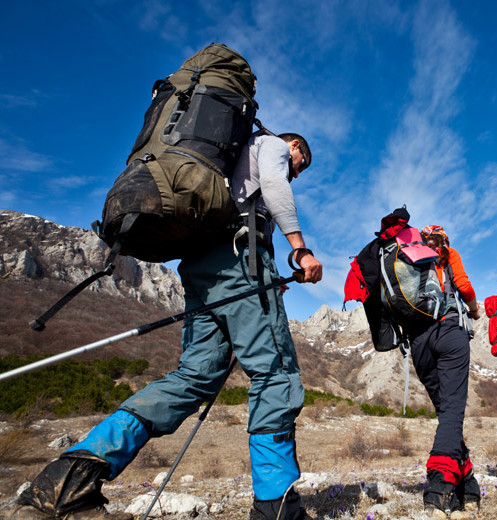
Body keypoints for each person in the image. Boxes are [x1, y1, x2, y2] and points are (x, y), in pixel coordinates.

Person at [15, 131, 322, 520]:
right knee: (275, 376)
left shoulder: (226, 156)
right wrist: (300, 247)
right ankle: (277, 509)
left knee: (193, 377)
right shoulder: (271, 145)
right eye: (302, 163)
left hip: (198, 267)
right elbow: (276, 186)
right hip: (239, 259)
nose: (299, 171)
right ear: (294, 146)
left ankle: (66, 481)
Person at [350, 212, 480, 519]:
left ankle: (468, 484)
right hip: (449, 332)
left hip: (418, 344)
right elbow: (464, 285)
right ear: (443, 240)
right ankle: (438, 484)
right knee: (452, 411)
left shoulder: (406, 257)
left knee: (446, 413)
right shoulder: (446, 254)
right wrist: (474, 310)